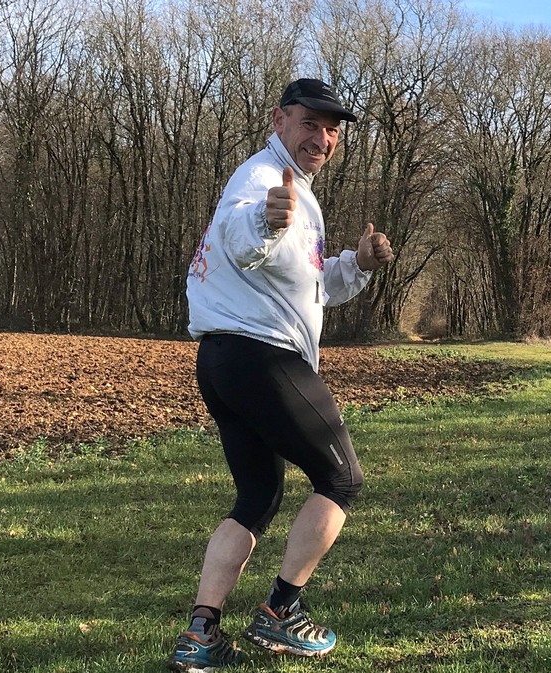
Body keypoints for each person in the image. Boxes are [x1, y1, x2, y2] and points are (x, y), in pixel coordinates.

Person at [169, 78, 394, 672]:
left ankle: (200, 635)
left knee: (258, 496)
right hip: (260, 358)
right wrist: (266, 224)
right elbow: (239, 235)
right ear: (279, 120)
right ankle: (280, 614)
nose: (322, 138)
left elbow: (309, 286)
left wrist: (358, 265)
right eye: (310, 123)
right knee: (341, 479)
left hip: (221, 362)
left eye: (332, 129)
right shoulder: (262, 181)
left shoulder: (297, 195)